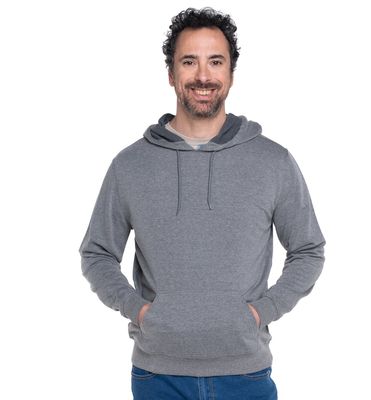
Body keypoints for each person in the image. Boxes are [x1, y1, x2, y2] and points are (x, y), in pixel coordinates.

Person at [78, 7, 326, 400]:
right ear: (171, 73)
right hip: (157, 376)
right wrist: (138, 310)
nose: (203, 76)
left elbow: (308, 250)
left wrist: (262, 312)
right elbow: (97, 254)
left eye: (216, 61)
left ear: (231, 73)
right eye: (189, 61)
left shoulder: (272, 161)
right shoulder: (130, 165)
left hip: (246, 374)